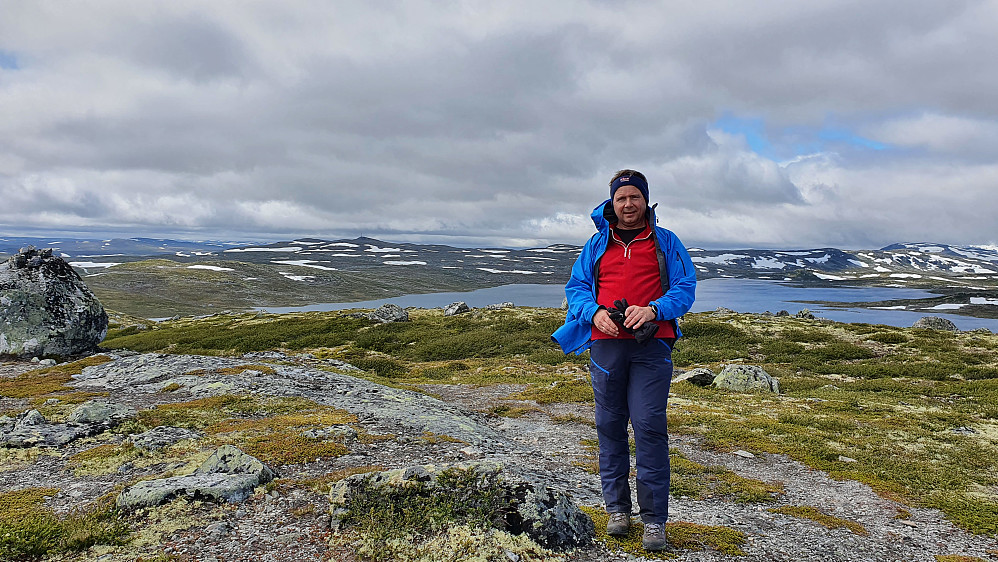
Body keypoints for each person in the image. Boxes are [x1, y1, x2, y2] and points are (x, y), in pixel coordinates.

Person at [551, 169, 696, 552]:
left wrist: (653, 310)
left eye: (635, 197)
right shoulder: (597, 244)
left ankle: (654, 521)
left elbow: (685, 288)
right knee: (610, 425)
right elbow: (577, 287)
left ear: (645, 201)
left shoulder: (666, 242)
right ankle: (617, 510)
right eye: (621, 198)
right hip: (606, 344)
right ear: (611, 203)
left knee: (649, 425)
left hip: (653, 346)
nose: (628, 204)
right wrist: (593, 313)